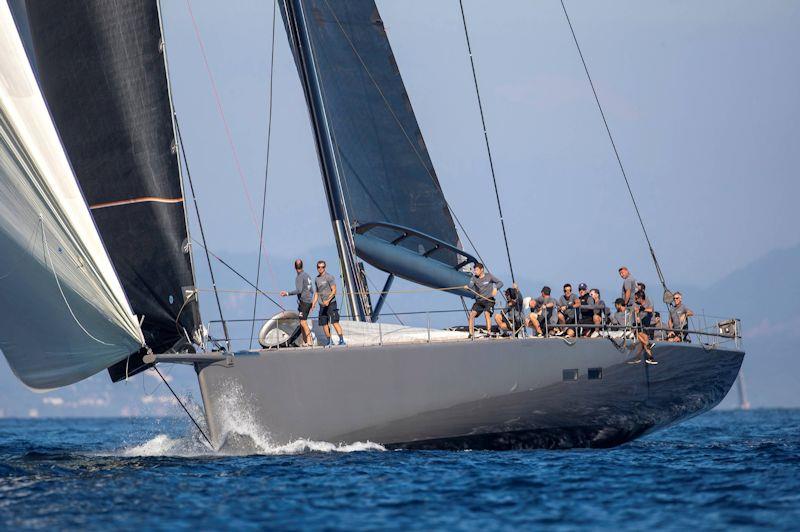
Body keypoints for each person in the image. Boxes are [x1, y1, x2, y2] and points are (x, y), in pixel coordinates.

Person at [279, 259, 314, 346]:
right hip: (308, 301)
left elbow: (299, 290)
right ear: (302, 266)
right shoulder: (307, 275)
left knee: (303, 322)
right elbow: (312, 290)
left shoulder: (299, 277)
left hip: (304, 302)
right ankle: (305, 341)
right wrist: (311, 301)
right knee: (302, 321)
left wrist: (287, 293)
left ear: (294, 267)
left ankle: (309, 340)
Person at [464, 263, 503, 338]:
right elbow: (470, 285)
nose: (475, 272)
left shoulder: (489, 276)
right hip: (479, 301)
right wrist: (468, 287)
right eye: (474, 270)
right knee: (471, 315)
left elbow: (500, 283)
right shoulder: (474, 278)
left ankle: (489, 332)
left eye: (476, 270)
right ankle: (471, 333)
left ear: (482, 270)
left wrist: (495, 288)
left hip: (489, 300)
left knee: (486, 313)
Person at [312, 260, 345, 346]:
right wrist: (314, 303)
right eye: (318, 267)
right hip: (322, 304)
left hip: (331, 303)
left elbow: (334, 290)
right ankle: (329, 341)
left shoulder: (329, 277)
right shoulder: (316, 279)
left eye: (322, 267)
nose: (320, 269)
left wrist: (328, 300)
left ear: (325, 268)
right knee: (324, 323)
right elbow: (317, 292)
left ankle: (341, 340)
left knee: (334, 322)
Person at [633, 290, 657, 363]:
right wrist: (637, 315)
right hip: (641, 324)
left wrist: (642, 309)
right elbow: (636, 314)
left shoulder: (648, 301)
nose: (635, 300)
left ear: (640, 298)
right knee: (643, 337)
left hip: (649, 324)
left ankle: (638, 357)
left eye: (636, 298)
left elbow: (651, 310)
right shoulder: (636, 304)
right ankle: (651, 357)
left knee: (642, 337)